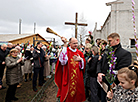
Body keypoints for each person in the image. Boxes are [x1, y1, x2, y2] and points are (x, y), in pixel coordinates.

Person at [97, 33, 132, 102]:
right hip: (103, 84)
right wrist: (99, 72)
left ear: (117, 40)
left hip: (116, 85)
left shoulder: (125, 54)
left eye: (110, 41)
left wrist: (106, 78)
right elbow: (100, 62)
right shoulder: (107, 51)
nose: (108, 43)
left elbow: (122, 71)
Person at [55, 37, 86, 102]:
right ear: (70, 43)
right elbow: (63, 61)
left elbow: (83, 63)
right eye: (74, 43)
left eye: (77, 43)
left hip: (78, 76)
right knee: (69, 93)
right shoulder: (66, 51)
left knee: (78, 92)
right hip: (69, 76)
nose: (76, 45)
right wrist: (64, 44)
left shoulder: (79, 52)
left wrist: (80, 60)